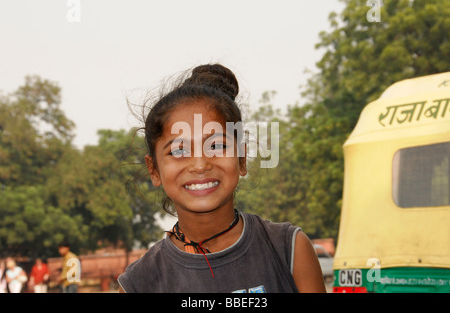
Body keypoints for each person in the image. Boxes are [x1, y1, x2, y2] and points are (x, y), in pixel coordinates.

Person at [118, 64, 326, 293]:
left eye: (217, 145)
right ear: (154, 170)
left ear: (242, 159)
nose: (200, 164)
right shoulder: (140, 283)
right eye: (178, 150)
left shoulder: (289, 250)